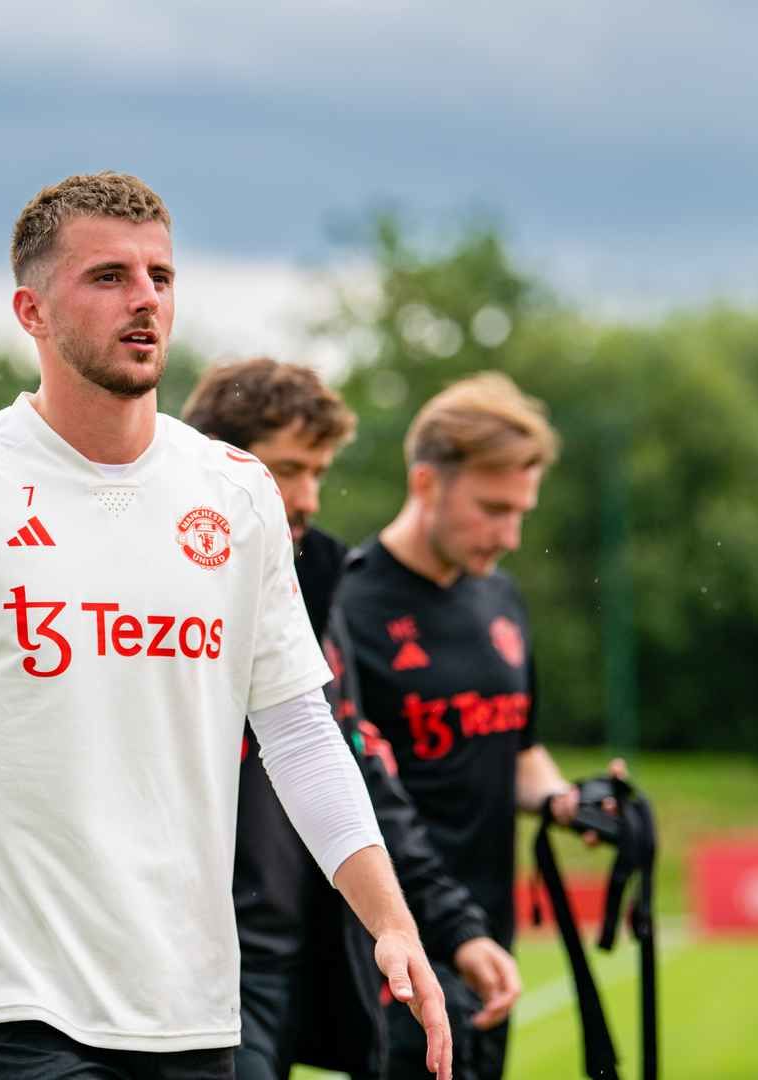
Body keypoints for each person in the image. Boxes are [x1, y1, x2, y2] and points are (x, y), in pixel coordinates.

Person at [0, 173, 452, 1080]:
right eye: (108, 276)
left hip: (191, 1006)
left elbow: (302, 734)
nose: (145, 297)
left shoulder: (236, 493)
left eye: (161, 275)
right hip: (12, 1005)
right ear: (31, 311)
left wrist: (390, 920)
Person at [182, 359, 520, 1079]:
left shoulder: (312, 581)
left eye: (318, 471)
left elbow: (357, 765)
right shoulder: (149, 590)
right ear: (215, 461)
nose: (307, 497)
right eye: (288, 469)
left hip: (294, 954)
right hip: (188, 958)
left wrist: (451, 928)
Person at [330, 372, 622, 1080]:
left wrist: (564, 800)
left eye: (521, 511)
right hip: (395, 945)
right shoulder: (350, 601)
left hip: (492, 932)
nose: (512, 535)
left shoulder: (501, 599)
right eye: (493, 510)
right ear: (426, 484)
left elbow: (517, 747)